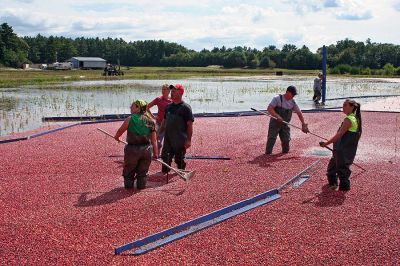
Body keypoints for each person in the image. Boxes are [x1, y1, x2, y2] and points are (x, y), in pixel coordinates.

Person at [114, 99, 158, 190]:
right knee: (143, 172)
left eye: (133, 105)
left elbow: (120, 131)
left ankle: (129, 188)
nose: (130, 107)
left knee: (129, 170)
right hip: (146, 150)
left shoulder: (130, 119)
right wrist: (156, 154)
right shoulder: (151, 121)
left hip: (132, 150)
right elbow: (154, 140)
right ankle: (141, 187)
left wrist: (117, 137)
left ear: (138, 108)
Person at [319, 99, 362, 191]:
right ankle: (334, 186)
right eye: (343, 105)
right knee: (333, 169)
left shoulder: (349, 119)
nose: (343, 107)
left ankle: (342, 190)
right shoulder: (355, 118)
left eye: (345, 105)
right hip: (343, 150)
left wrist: (326, 143)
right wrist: (331, 141)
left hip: (342, 150)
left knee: (341, 171)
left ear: (352, 107)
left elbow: (339, 135)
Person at [160, 84, 194, 173]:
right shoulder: (168, 107)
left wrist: (188, 140)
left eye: (174, 91)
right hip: (168, 139)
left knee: (179, 159)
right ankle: (165, 172)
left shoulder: (186, 108)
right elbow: (164, 121)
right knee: (165, 159)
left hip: (180, 139)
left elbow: (189, 125)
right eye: (172, 91)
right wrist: (158, 133)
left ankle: (181, 170)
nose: (171, 92)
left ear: (180, 93)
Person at [265, 85, 309, 154]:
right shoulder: (277, 98)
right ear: (287, 92)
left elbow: (299, 112)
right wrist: (277, 116)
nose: (293, 96)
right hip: (275, 123)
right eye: (292, 94)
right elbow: (269, 108)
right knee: (272, 138)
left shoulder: (292, 102)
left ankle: (284, 153)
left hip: (285, 124)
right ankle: (267, 154)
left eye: (294, 95)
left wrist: (303, 124)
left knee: (286, 140)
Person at [146, 84, 172, 153]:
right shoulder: (158, 99)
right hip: (159, 123)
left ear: (169, 91)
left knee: (170, 142)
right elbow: (147, 107)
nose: (163, 91)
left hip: (169, 124)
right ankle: (154, 155)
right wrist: (152, 117)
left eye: (165, 89)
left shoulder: (172, 100)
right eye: (162, 89)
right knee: (158, 141)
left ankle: (164, 156)